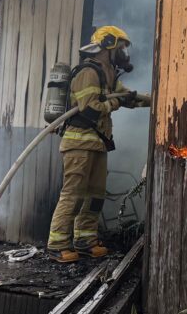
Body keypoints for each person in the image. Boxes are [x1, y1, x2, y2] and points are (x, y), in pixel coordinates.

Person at [46, 25, 150, 262]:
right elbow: (91, 109)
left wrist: (157, 99)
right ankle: (57, 243)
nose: (124, 52)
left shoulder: (108, 73)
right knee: (73, 194)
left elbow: (128, 98)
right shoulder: (88, 73)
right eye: (121, 47)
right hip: (79, 144)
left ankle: (85, 240)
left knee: (95, 195)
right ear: (108, 45)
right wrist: (113, 104)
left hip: (97, 143)